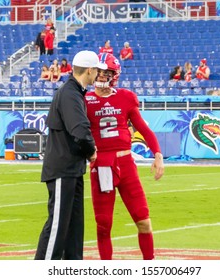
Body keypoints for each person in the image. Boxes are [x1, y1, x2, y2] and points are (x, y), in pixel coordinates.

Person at [85, 53, 164, 260]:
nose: (102, 76)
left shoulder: (126, 97)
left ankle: (150, 265)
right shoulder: (84, 100)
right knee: (104, 225)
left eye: (106, 72)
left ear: (115, 75)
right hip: (101, 165)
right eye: (99, 72)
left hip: (126, 163)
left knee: (143, 220)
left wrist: (158, 154)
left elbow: (143, 129)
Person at [34, 50, 105, 260]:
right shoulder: (70, 93)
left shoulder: (74, 92)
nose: (97, 76)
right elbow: (80, 130)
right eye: (96, 71)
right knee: (58, 226)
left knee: (73, 229)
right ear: (90, 70)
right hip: (63, 169)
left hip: (71, 168)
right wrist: (91, 151)